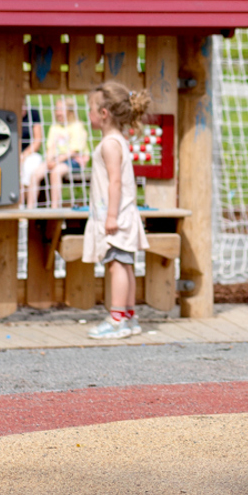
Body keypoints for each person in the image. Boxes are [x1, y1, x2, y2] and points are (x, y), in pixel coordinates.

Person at [82, 81, 152, 341]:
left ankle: (117, 319)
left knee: (117, 265)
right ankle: (129, 316)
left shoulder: (110, 144)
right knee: (125, 264)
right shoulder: (117, 141)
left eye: (90, 110)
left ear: (104, 113)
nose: (88, 115)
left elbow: (114, 181)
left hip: (116, 216)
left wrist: (111, 216)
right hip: (122, 214)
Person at [43, 98, 90, 209]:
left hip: (74, 160)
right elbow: (50, 147)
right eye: (57, 109)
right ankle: (30, 210)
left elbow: (74, 151)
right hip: (56, 159)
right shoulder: (54, 127)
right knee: (36, 172)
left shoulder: (77, 126)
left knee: (56, 172)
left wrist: (56, 161)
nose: (58, 112)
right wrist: (49, 161)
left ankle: (54, 208)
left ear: (70, 111)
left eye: (61, 109)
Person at [19, 98, 44, 203]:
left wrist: (24, 155)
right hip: (15, 154)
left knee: (29, 170)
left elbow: (37, 141)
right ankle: (19, 207)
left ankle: (29, 209)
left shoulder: (33, 113)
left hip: (31, 153)